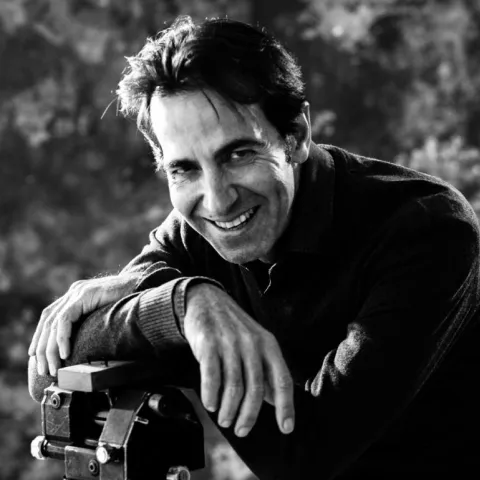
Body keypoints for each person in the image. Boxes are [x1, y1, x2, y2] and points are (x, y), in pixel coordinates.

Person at [28, 15, 480, 480]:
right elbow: (50, 377)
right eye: (185, 169)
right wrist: (185, 306)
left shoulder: (428, 228)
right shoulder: (194, 232)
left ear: (296, 136)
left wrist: (186, 344)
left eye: (238, 154)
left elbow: (307, 455)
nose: (218, 200)